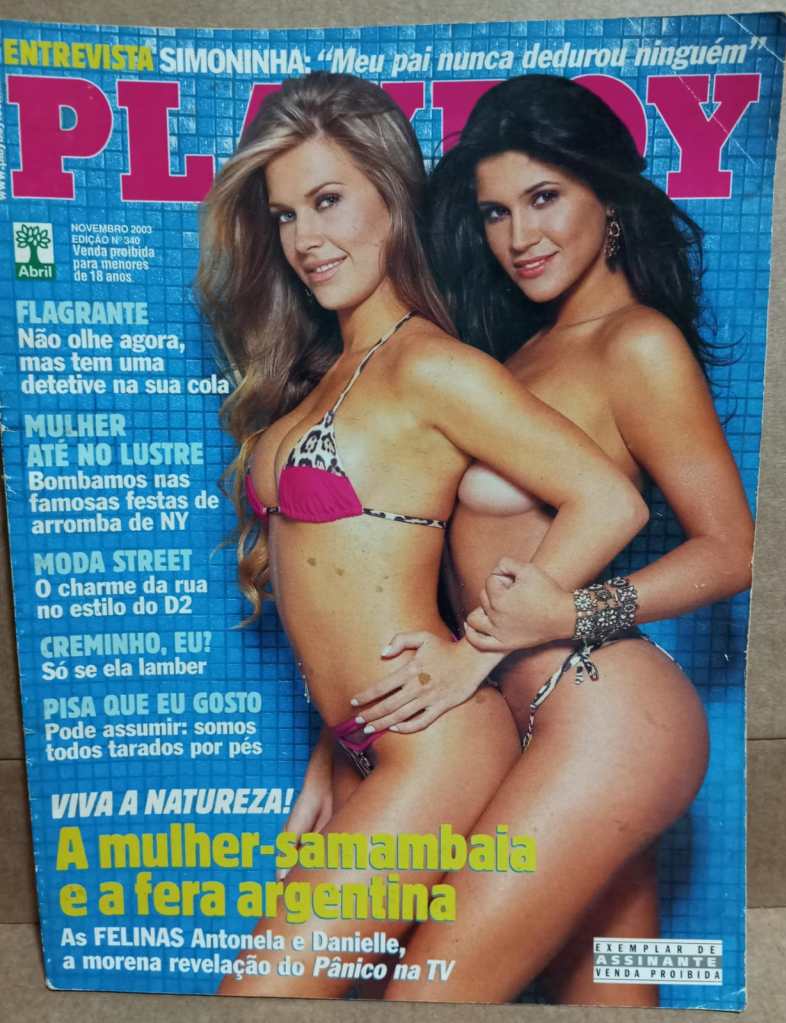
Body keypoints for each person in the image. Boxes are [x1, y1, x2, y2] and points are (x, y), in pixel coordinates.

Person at [196, 72, 647, 999]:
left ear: (391, 197)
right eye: (285, 215)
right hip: (369, 744)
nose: (305, 238)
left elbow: (610, 501)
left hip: (442, 743)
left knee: (264, 995)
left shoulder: (434, 367)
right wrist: (331, 750)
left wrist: (475, 653)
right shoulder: (326, 374)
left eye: (328, 200)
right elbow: (352, 586)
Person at [337, 75, 754, 1005]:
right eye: (496, 211)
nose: (519, 235)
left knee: (429, 992)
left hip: (605, 716)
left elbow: (733, 549)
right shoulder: (520, 354)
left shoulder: (636, 344)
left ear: (608, 198)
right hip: (539, 721)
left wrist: (568, 611)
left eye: (544, 197)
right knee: (611, 998)